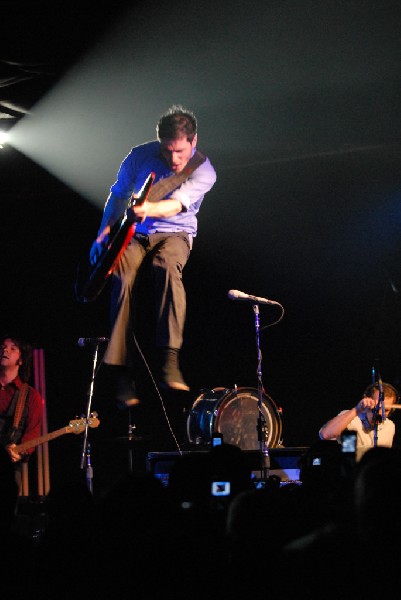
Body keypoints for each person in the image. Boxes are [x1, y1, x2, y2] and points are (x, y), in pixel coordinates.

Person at [90, 105, 217, 407]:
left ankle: (169, 359)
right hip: (138, 232)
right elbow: (118, 194)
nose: (174, 159)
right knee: (121, 275)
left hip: (176, 233)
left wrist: (146, 208)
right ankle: (120, 369)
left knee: (167, 268)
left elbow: (175, 206)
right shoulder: (138, 156)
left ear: (193, 141)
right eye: (167, 151)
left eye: (180, 151)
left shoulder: (203, 170)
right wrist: (103, 231)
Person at [0, 335, 44, 490]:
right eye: (3, 346)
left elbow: (32, 432)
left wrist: (20, 451)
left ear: (21, 360)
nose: (5, 349)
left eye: (12, 348)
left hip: (8, 469)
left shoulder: (31, 396)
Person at [319, 381, 398, 461]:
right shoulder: (350, 417)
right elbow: (325, 435)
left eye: (386, 410)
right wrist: (357, 410)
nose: (380, 413)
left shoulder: (389, 426)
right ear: (367, 400)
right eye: (377, 408)